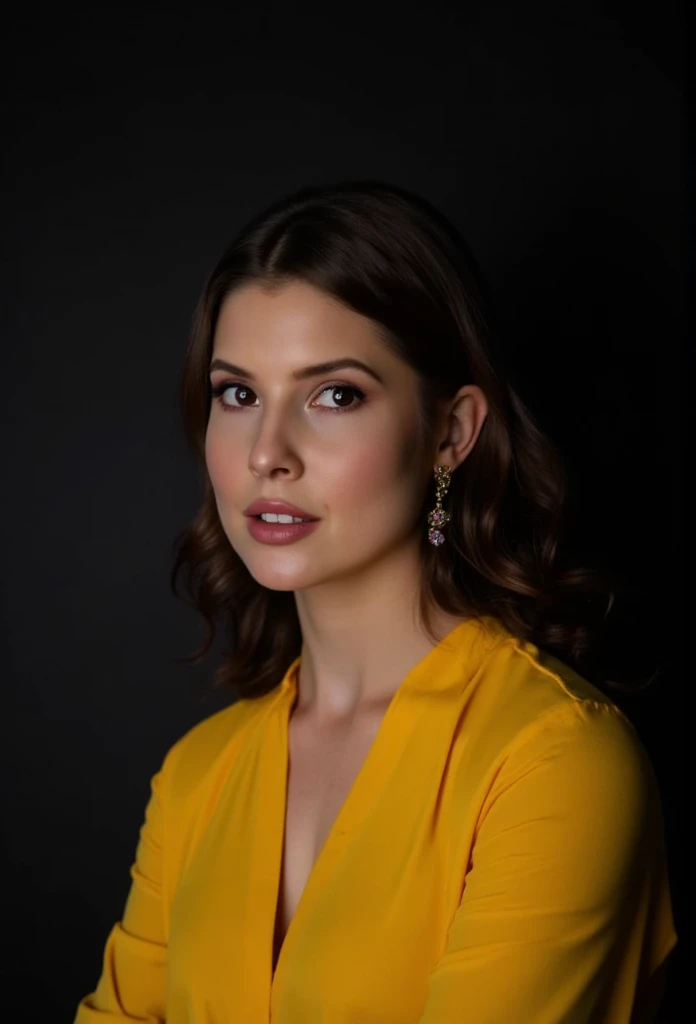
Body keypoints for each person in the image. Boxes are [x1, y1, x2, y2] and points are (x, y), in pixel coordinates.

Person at [74, 180, 678, 1023]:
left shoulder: (551, 764)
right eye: (237, 394)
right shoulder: (197, 777)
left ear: (451, 431)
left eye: (335, 394)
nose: (266, 454)